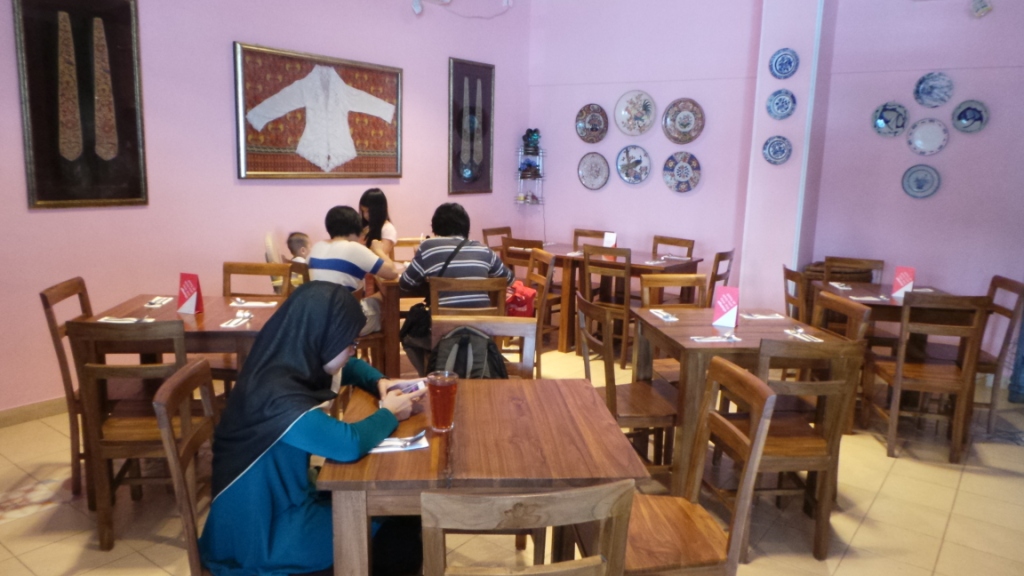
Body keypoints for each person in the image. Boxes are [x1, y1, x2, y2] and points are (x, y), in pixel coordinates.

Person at [199, 282, 426, 576]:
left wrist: (378, 381)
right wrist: (389, 414)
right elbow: (348, 444)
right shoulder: (278, 398)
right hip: (261, 535)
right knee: (400, 538)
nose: (352, 350)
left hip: (268, 508)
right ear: (324, 337)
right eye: (350, 343)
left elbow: (350, 367)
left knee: (398, 516)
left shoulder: (284, 361)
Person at [399, 203, 513, 373]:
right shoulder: (484, 250)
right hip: (483, 328)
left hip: (444, 329)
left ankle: (434, 374)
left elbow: (405, 284)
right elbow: (509, 278)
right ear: (466, 227)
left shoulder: (428, 247)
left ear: (435, 227)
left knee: (408, 335)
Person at [309, 206, 400, 335]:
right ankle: (388, 352)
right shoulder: (355, 249)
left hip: (317, 322)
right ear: (356, 229)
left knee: (377, 297)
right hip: (344, 325)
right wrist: (378, 250)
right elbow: (392, 272)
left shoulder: (316, 247)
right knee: (386, 301)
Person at [359, 188, 398, 257]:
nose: (365, 215)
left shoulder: (388, 229)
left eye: (368, 211)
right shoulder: (365, 226)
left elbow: (380, 256)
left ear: (378, 210)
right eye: (363, 211)